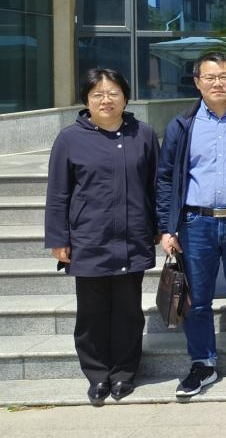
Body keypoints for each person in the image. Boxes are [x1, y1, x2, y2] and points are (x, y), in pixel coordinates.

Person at [45, 68, 158, 406]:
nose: (106, 100)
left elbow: (155, 185)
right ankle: (97, 375)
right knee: (92, 313)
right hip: (89, 239)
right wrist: (58, 238)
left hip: (132, 237)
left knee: (128, 311)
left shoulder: (143, 134)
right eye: (98, 94)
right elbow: (58, 193)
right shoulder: (69, 139)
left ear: (125, 97)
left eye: (113, 93)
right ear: (87, 100)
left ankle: (124, 374)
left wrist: (159, 227)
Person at [156, 52, 226, 397]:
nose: (217, 83)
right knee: (197, 299)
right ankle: (202, 364)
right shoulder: (182, 125)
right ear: (197, 82)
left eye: (224, 76)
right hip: (195, 223)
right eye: (210, 77)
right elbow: (165, 178)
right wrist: (167, 227)